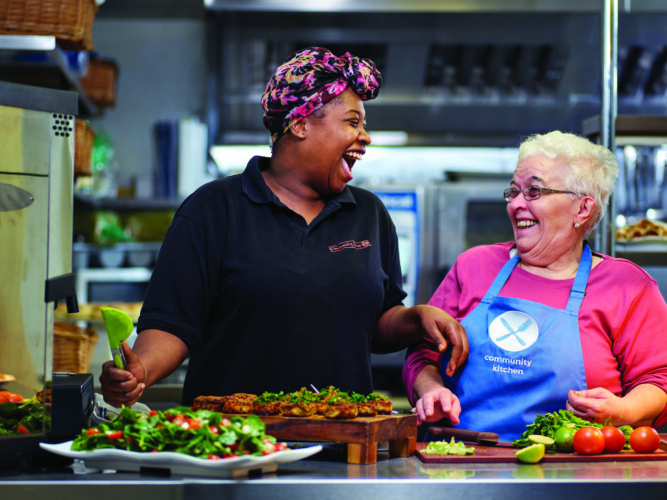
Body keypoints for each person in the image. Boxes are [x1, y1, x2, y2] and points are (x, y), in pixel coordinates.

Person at [100, 47, 468, 408]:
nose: (365, 137)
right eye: (352, 122)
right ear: (300, 123)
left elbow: (376, 326)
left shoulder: (369, 214)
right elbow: (172, 324)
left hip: (341, 435)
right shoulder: (213, 208)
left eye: (364, 126)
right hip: (236, 437)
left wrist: (416, 317)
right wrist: (140, 371)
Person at [403, 131, 667, 441]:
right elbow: (423, 352)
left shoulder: (627, 286)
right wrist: (431, 390)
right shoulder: (473, 266)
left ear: (582, 209)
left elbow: (659, 379)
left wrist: (625, 410)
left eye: (533, 191)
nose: (515, 204)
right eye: (514, 191)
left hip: (573, 464)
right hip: (460, 458)